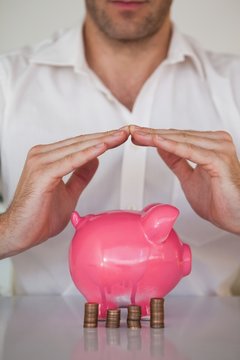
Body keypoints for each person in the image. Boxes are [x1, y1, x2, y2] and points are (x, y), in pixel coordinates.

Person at [0, 0, 240, 295]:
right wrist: (9, 229)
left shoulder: (235, 84)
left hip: (210, 339)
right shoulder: (6, 83)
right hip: (35, 338)